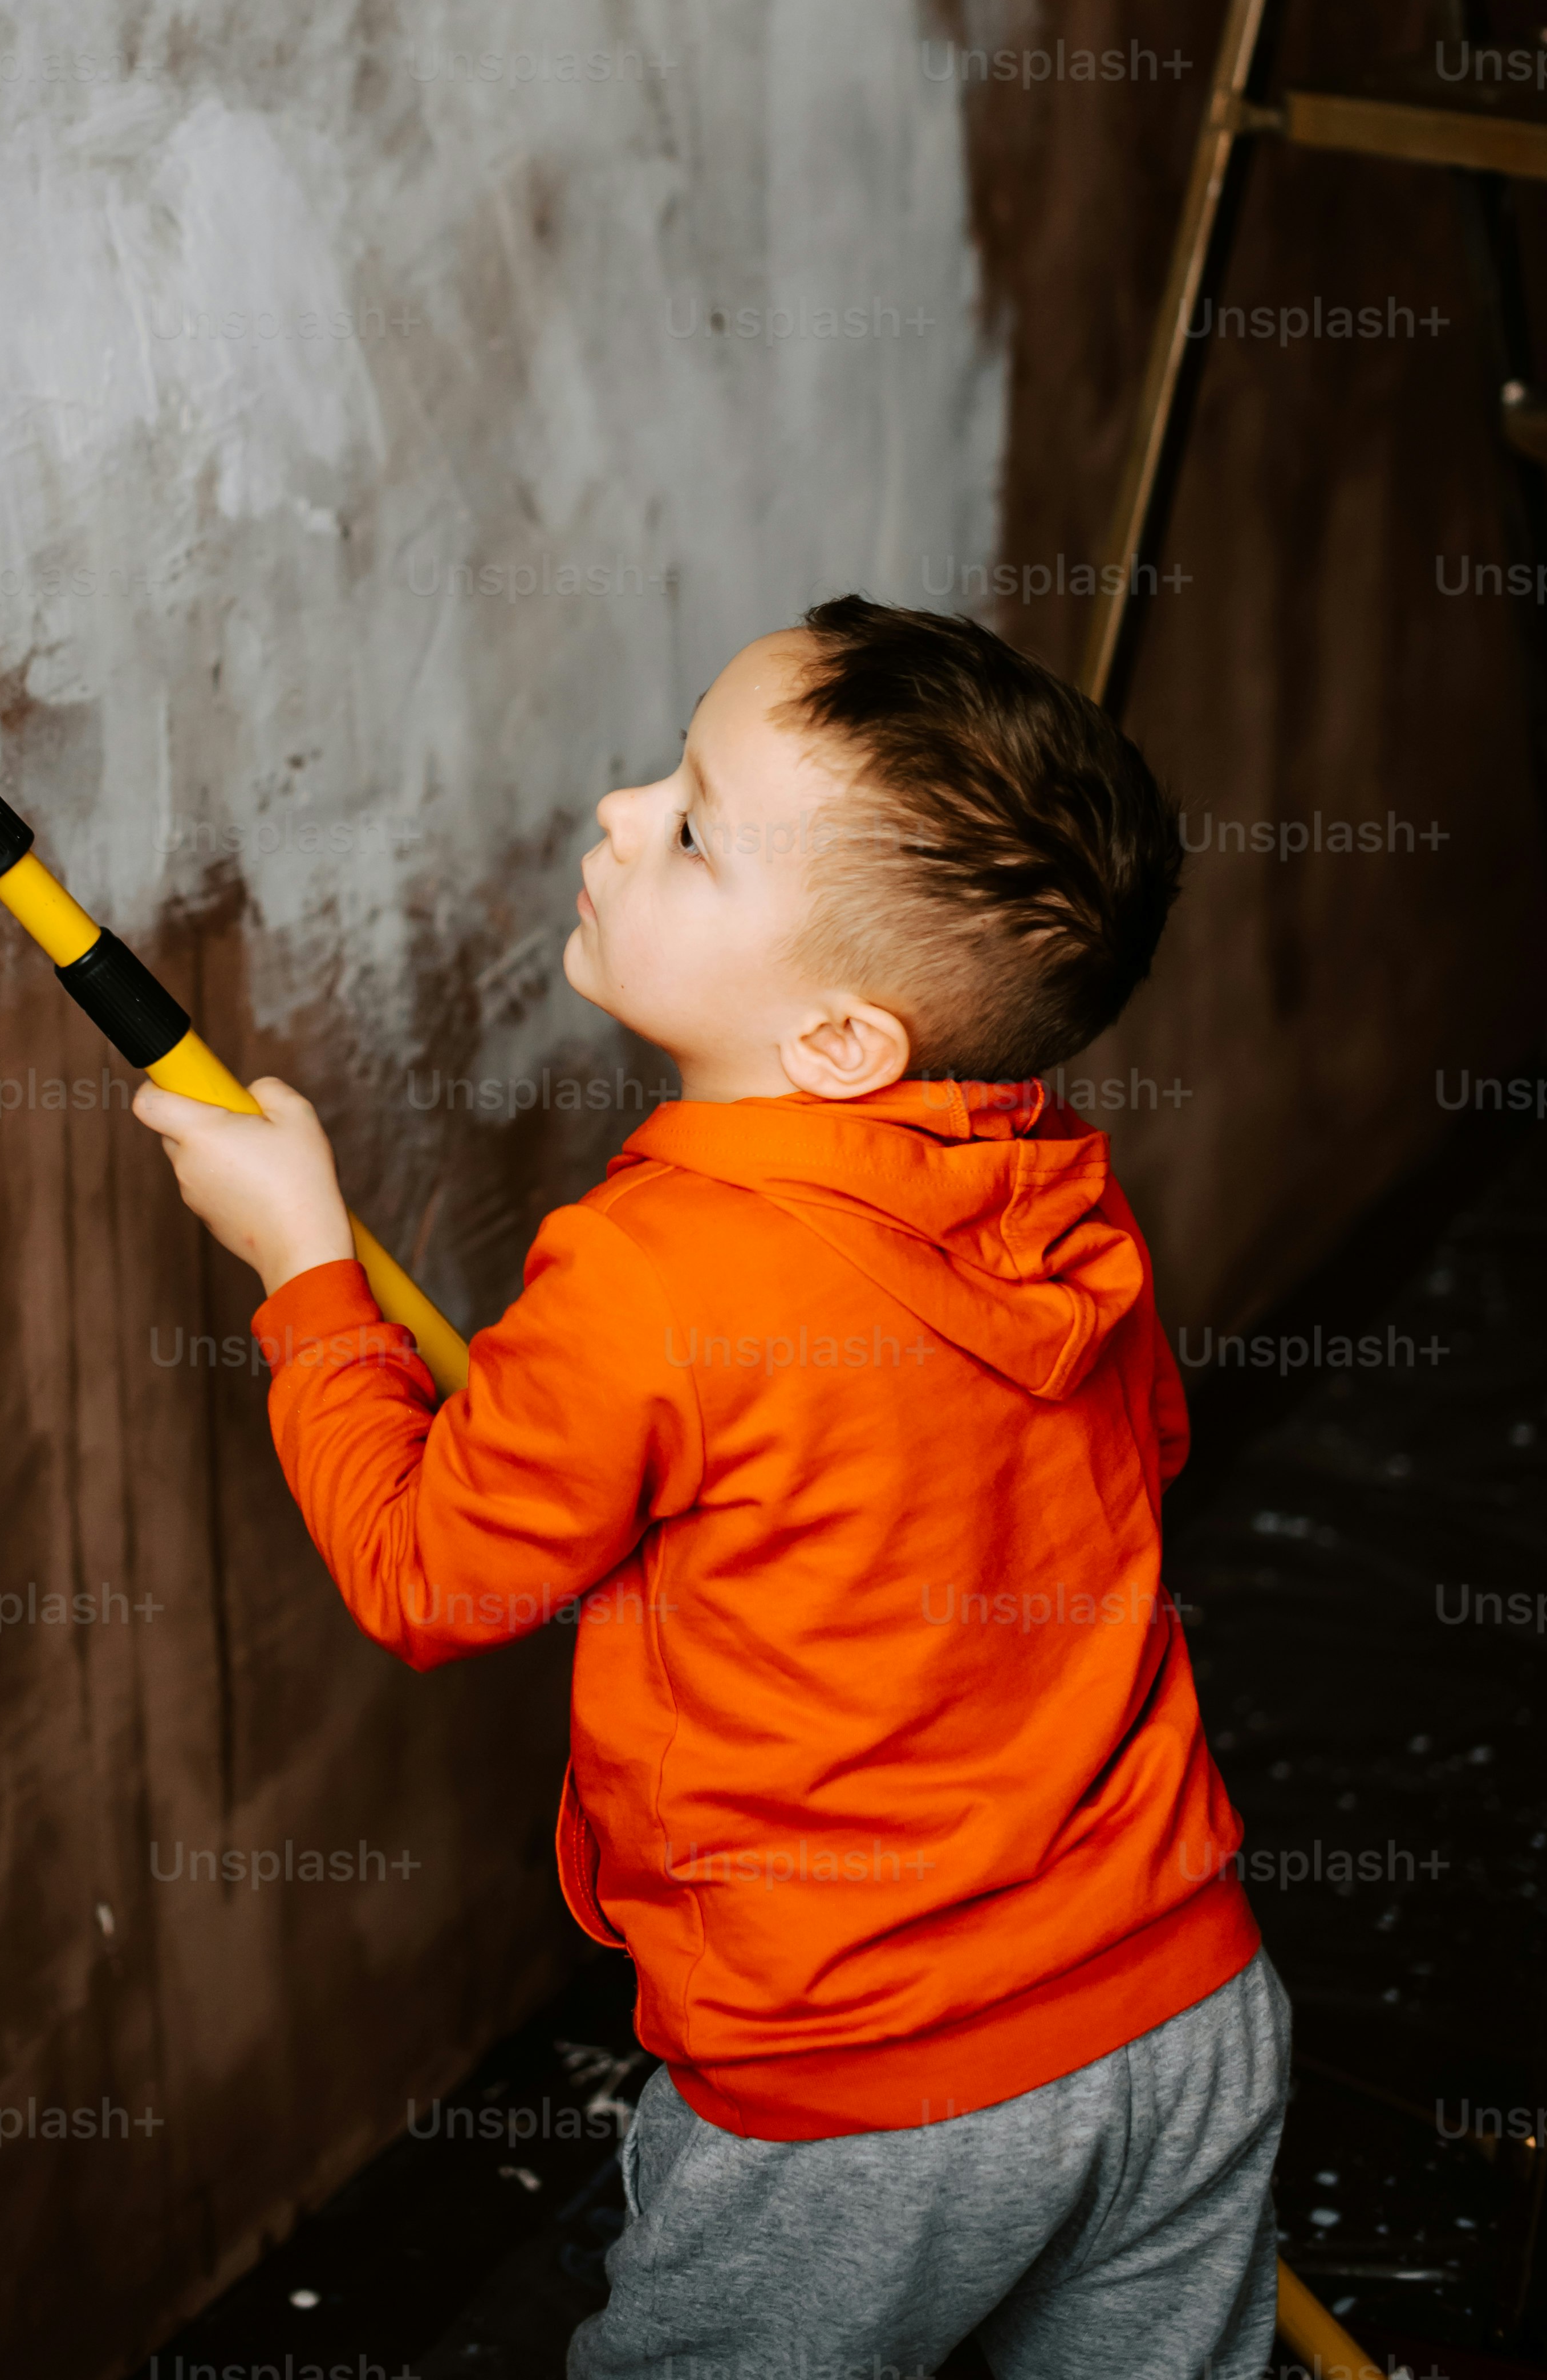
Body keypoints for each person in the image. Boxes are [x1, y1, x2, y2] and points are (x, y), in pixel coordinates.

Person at [136, 598, 1285, 2380]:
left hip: (863, 2104)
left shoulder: (655, 1281)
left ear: (838, 1042)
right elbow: (1115, 1465)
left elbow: (429, 1575)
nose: (614, 809)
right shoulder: (1057, 1197)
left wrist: (303, 1272)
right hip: (1185, 2010)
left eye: (688, 828)